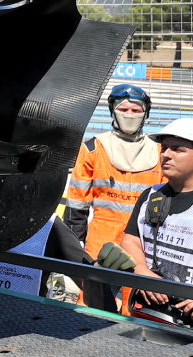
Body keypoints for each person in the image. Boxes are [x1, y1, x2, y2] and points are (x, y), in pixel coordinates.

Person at [119, 118, 193, 328]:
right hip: (148, 313)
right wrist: (143, 272)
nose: (166, 154)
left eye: (177, 149)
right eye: (164, 148)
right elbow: (130, 240)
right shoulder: (150, 195)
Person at [63, 84, 163, 261]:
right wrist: (73, 241)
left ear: (145, 113)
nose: (129, 114)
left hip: (143, 241)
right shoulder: (93, 148)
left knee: (136, 289)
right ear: (113, 111)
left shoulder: (159, 151)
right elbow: (77, 202)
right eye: (123, 109)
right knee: (93, 288)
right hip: (101, 238)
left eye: (135, 109)